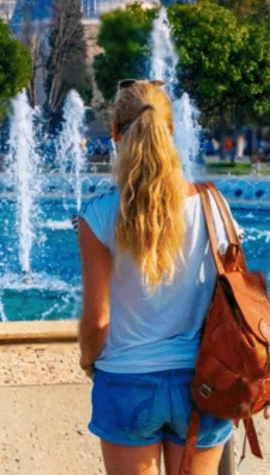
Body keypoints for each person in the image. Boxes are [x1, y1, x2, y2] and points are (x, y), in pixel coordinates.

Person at [77, 80, 236, 475]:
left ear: (115, 133)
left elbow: (98, 320)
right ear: (172, 131)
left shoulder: (97, 216)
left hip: (127, 381)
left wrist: (87, 360)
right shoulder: (214, 205)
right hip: (202, 383)